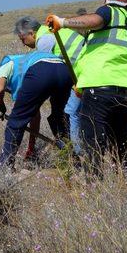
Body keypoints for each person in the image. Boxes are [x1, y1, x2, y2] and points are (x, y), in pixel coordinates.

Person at [46, 0, 127, 177]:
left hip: (100, 87)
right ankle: (121, 182)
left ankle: (95, 187)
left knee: (93, 141)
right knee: (120, 141)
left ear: (106, 1)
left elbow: (96, 20)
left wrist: (62, 22)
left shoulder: (109, 12)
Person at [13, 16, 86, 157]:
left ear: (31, 33)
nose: (23, 43)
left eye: (23, 39)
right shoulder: (50, 31)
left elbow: (45, 72)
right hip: (79, 70)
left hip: (79, 72)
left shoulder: (44, 39)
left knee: (65, 113)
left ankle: (74, 152)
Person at [0, 49, 73, 168]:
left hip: (42, 70)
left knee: (15, 122)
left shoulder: (6, 64)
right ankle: (70, 157)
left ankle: (5, 167)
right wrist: (31, 147)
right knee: (59, 117)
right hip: (65, 70)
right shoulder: (23, 65)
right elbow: (34, 116)